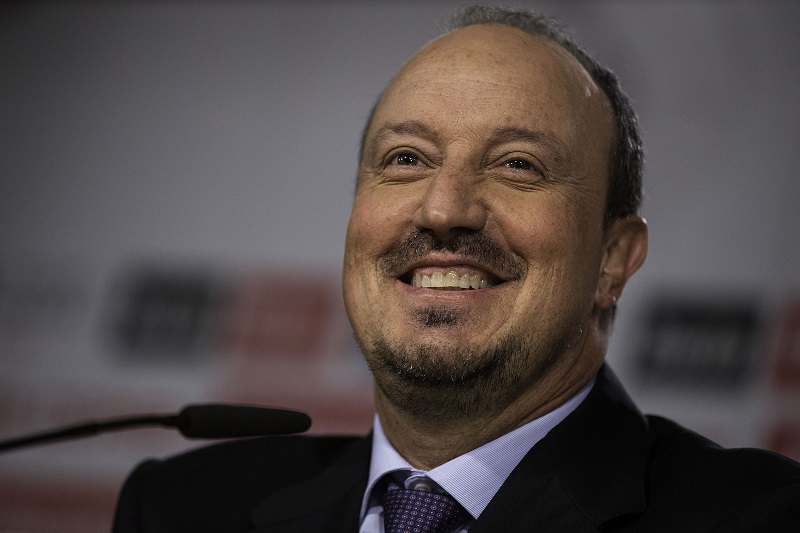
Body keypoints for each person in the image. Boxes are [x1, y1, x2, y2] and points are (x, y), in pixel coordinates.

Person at [113, 5, 800, 532]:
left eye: (517, 165)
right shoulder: (177, 507)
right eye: (406, 159)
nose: (444, 209)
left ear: (613, 259)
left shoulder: (760, 517)